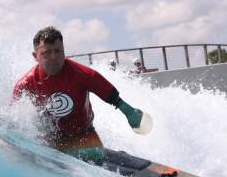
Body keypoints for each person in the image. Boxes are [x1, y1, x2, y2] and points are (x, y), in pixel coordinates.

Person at [12, 26, 146, 158]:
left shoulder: (82, 74)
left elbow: (113, 98)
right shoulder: (26, 84)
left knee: (97, 161)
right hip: (50, 141)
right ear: (35, 56)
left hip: (84, 136)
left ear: (64, 52)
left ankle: (117, 158)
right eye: (46, 52)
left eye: (58, 51)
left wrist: (129, 112)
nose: (53, 57)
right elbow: (13, 115)